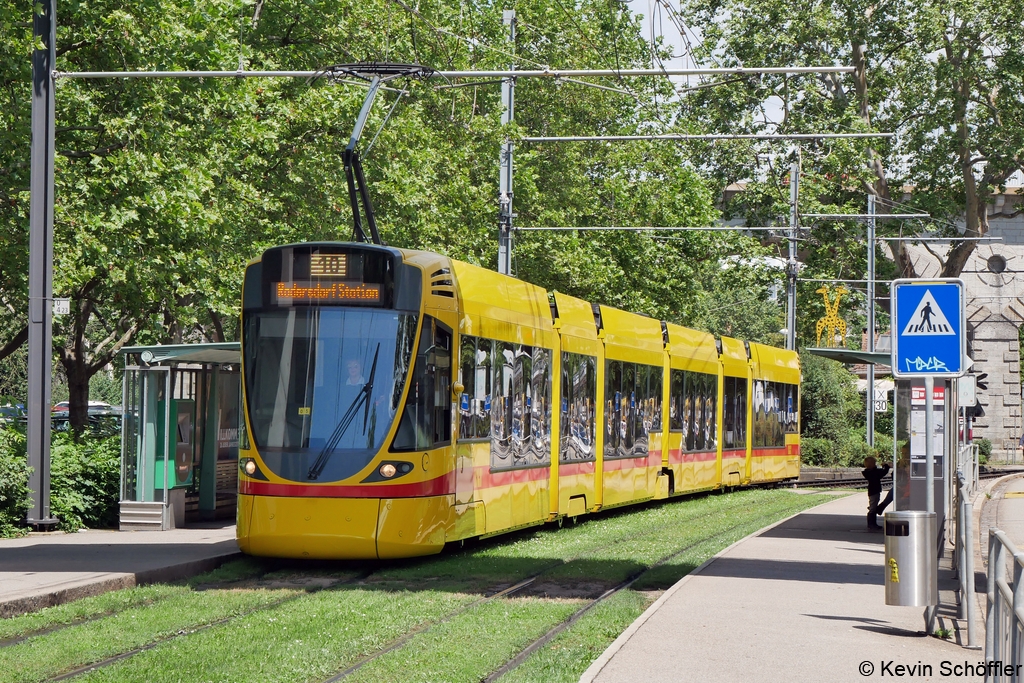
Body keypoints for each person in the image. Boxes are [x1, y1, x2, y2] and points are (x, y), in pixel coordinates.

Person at [862, 456, 894, 530]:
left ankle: (873, 523)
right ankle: (871, 524)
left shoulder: (869, 472)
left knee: (873, 506)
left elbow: (880, 472)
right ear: (871, 464)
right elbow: (882, 473)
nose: (875, 465)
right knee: (873, 508)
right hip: (874, 491)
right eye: (874, 463)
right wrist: (886, 467)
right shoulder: (871, 473)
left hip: (874, 491)